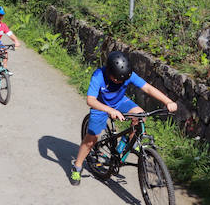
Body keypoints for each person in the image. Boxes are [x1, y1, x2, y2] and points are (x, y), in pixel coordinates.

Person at [70, 51, 178, 186]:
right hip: (101, 105)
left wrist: (168, 102)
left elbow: (148, 89)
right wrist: (109, 110)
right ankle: (77, 166)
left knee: (140, 115)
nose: (120, 81)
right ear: (109, 71)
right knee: (91, 140)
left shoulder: (127, 75)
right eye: (117, 79)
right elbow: (90, 100)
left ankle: (125, 145)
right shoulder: (98, 75)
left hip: (120, 102)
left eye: (123, 79)